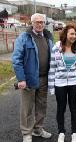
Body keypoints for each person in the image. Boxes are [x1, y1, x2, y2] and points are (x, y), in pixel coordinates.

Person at [12, 13, 53, 142]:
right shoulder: (24, 37)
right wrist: (21, 79)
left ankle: (38, 129)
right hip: (29, 79)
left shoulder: (48, 37)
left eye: (42, 22)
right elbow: (17, 59)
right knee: (27, 107)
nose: (40, 24)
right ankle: (26, 132)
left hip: (44, 78)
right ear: (32, 23)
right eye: (37, 22)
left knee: (42, 106)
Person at [48, 24, 76, 142]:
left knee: (74, 108)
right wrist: (51, 87)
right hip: (59, 84)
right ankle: (61, 132)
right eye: (71, 33)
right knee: (60, 108)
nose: (74, 36)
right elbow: (52, 68)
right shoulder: (56, 48)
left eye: (75, 34)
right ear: (65, 34)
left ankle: (74, 133)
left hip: (74, 83)